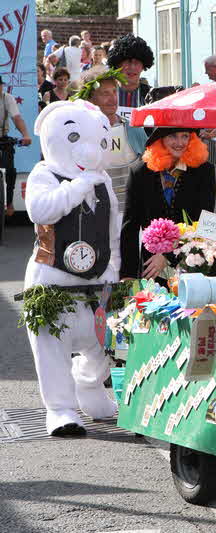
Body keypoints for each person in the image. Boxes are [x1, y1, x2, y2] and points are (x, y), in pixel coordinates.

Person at [23, 99, 120, 436]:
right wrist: (77, 187)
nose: (91, 150)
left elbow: (113, 228)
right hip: (53, 279)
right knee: (52, 346)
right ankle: (61, 408)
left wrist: (114, 269)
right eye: (76, 138)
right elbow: (40, 211)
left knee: (101, 344)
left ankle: (91, 391)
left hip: (97, 279)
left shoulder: (104, 180)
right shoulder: (43, 173)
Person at [120, 128, 215, 280]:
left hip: (192, 265)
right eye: (173, 136)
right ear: (160, 140)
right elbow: (130, 227)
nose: (180, 143)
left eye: (185, 136)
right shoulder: (139, 173)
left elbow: (204, 223)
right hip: (151, 269)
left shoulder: (204, 171)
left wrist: (168, 256)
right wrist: (128, 275)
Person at [74, 66, 147, 209]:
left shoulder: (133, 129)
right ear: (90, 98)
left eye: (114, 92)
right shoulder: (80, 134)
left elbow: (150, 169)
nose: (113, 98)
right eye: (105, 93)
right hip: (96, 213)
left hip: (129, 211)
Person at [0, 75, 33, 218]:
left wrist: (26, 135)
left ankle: (9, 202)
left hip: (2, 137)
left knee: (10, 170)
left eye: (0, 85)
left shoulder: (7, 98)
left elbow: (17, 118)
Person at [106, 34, 154, 120]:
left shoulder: (152, 96)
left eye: (137, 62)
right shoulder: (105, 95)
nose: (132, 67)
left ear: (143, 66)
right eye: (128, 61)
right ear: (117, 64)